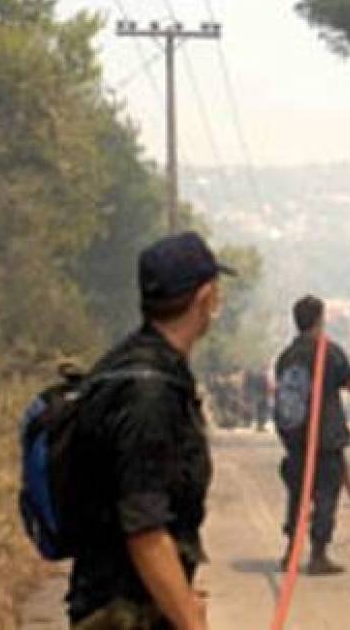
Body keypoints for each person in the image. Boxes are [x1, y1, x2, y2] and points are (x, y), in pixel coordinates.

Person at [68, 231, 232, 630]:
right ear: (205, 297)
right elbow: (144, 529)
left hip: (133, 603)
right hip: (122, 612)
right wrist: (190, 620)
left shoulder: (136, 367)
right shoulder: (148, 392)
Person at [273, 296, 350, 576]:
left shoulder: (286, 356)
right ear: (320, 320)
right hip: (325, 437)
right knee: (325, 494)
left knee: (298, 494)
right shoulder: (329, 351)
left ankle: (290, 552)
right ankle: (318, 555)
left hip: (296, 438)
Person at [243, 367, 270, 432]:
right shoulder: (263, 377)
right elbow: (266, 387)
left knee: (259, 411)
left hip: (258, 396)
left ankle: (259, 426)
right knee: (262, 411)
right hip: (263, 396)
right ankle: (261, 426)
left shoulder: (255, 377)